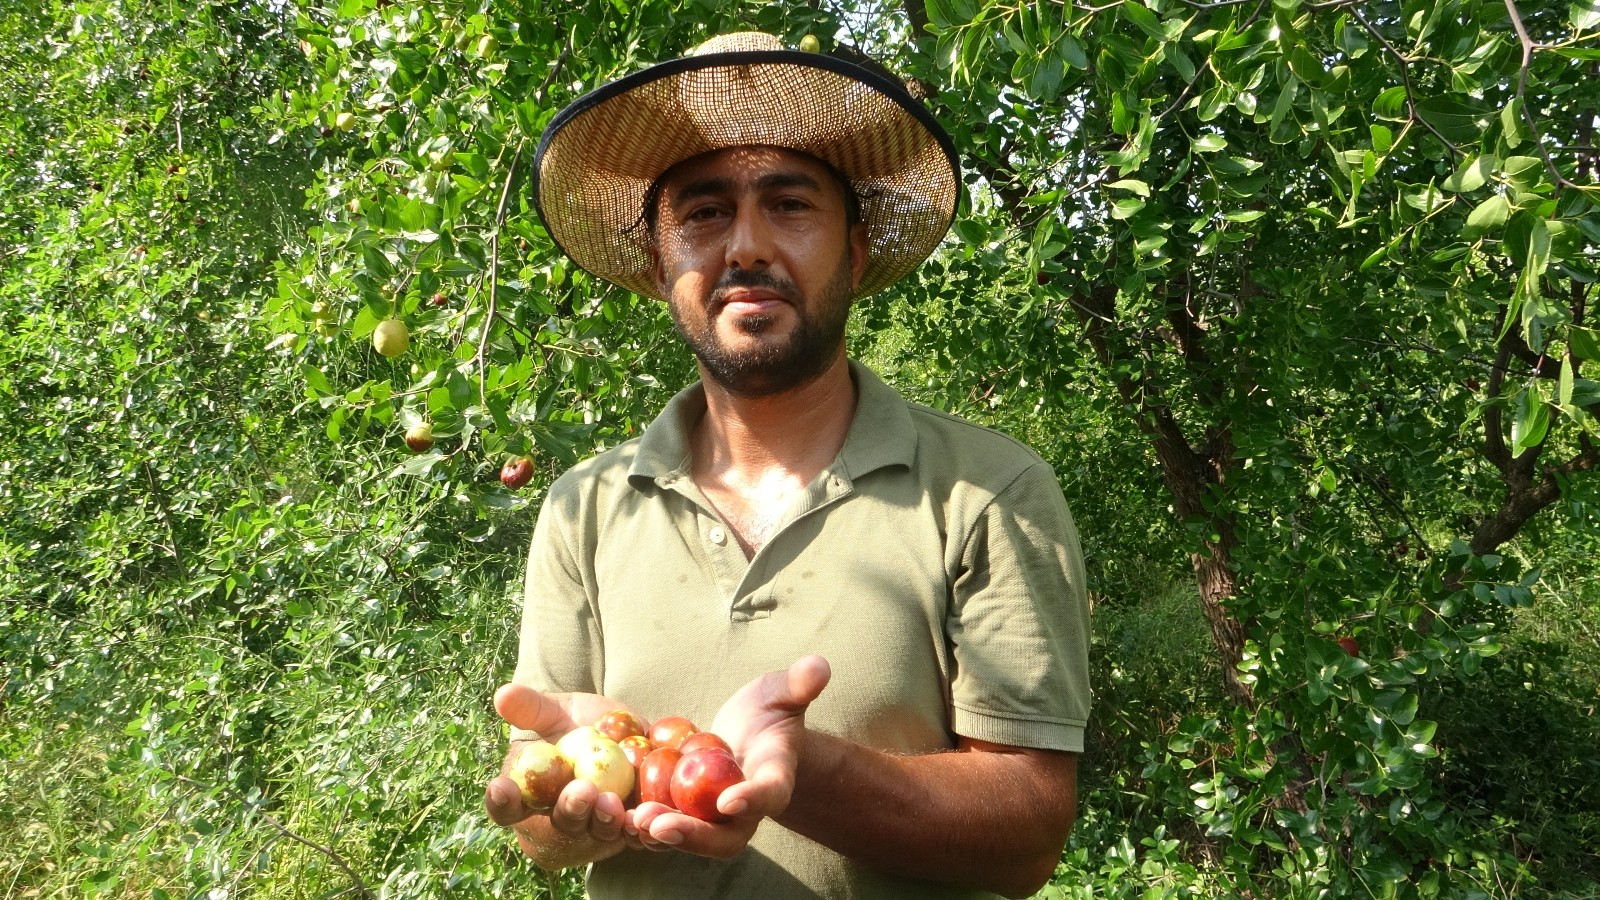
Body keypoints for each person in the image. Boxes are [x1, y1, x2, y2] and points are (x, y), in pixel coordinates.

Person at [483, 32, 1092, 900]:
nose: (746, 247)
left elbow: (1028, 836)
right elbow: (541, 823)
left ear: (854, 252)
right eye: (703, 214)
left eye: (790, 204)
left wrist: (800, 771)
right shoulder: (586, 507)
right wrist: (557, 809)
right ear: (660, 264)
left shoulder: (987, 492)